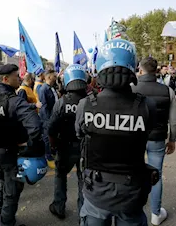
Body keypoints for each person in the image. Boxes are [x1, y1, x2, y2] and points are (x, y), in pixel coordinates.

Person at [76, 38, 158, 226]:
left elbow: (80, 134)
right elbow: (147, 133)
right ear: (132, 66)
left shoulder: (86, 105)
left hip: (96, 192)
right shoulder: (147, 106)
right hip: (131, 193)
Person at [0, 64, 45, 226]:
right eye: (16, 76)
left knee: (1, 188)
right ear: (6, 79)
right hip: (12, 155)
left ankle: (0, 219)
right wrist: (27, 147)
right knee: (11, 193)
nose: (20, 78)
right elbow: (36, 127)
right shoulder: (14, 101)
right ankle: (6, 223)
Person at [132, 57, 176, 225]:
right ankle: (156, 214)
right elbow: (174, 121)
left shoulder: (131, 89)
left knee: (131, 172)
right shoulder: (167, 90)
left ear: (141, 70)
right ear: (156, 71)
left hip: (134, 138)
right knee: (155, 175)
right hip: (157, 138)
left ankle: (132, 210)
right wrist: (172, 139)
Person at [47, 64, 87, 220]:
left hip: (65, 147)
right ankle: (83, 215)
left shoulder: (62, 102)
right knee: (84, 181)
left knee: (60, 176)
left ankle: (59, 206)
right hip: (85, 148)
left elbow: (51, 128)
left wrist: (53, 145)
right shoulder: (91, 101)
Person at [38, 69, 59, 169]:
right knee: (46, 137)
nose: (56, 78)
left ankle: (52, 151)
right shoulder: (43, 89)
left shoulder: (52, 88)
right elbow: (44, 106)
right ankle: (48, 156)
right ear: (49, 77)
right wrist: (48, 120)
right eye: (54, 76)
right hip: (47, 118)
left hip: (53, 116)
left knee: (52, 136)